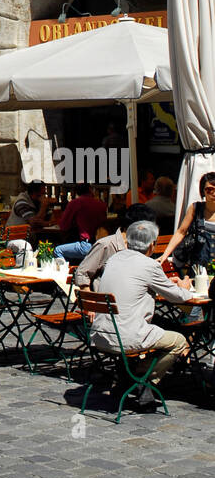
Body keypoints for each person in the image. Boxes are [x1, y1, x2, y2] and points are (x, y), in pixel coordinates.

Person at [89, 220, 192, 408]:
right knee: (179, 341)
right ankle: (144, 381)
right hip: (127, 337)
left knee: (160, 325)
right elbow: (179, 297)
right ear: (152, 245)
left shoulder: (115, 258)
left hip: (101, 334)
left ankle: (130, 376)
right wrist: (185, 287)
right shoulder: (149, 265)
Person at [73, 203, 157, 289]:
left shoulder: (143, 246)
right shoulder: (106, 245)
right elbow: (82, 273)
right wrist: (91, 299)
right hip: (107, 300)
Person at [160, 172, 215, 273]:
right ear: (203, 191)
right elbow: (181, 232)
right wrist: (165, 254)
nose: (213, 193)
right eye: (209, 189)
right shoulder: (196, 208)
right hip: (199, 269)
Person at [54, 184, 107, 263]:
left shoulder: (75, 203)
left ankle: (64, 271)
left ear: (77, 192)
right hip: (101, 244)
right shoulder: (101, 204)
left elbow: (63, 226)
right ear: (90, 190)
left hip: (86, 245)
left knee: (58, 250)